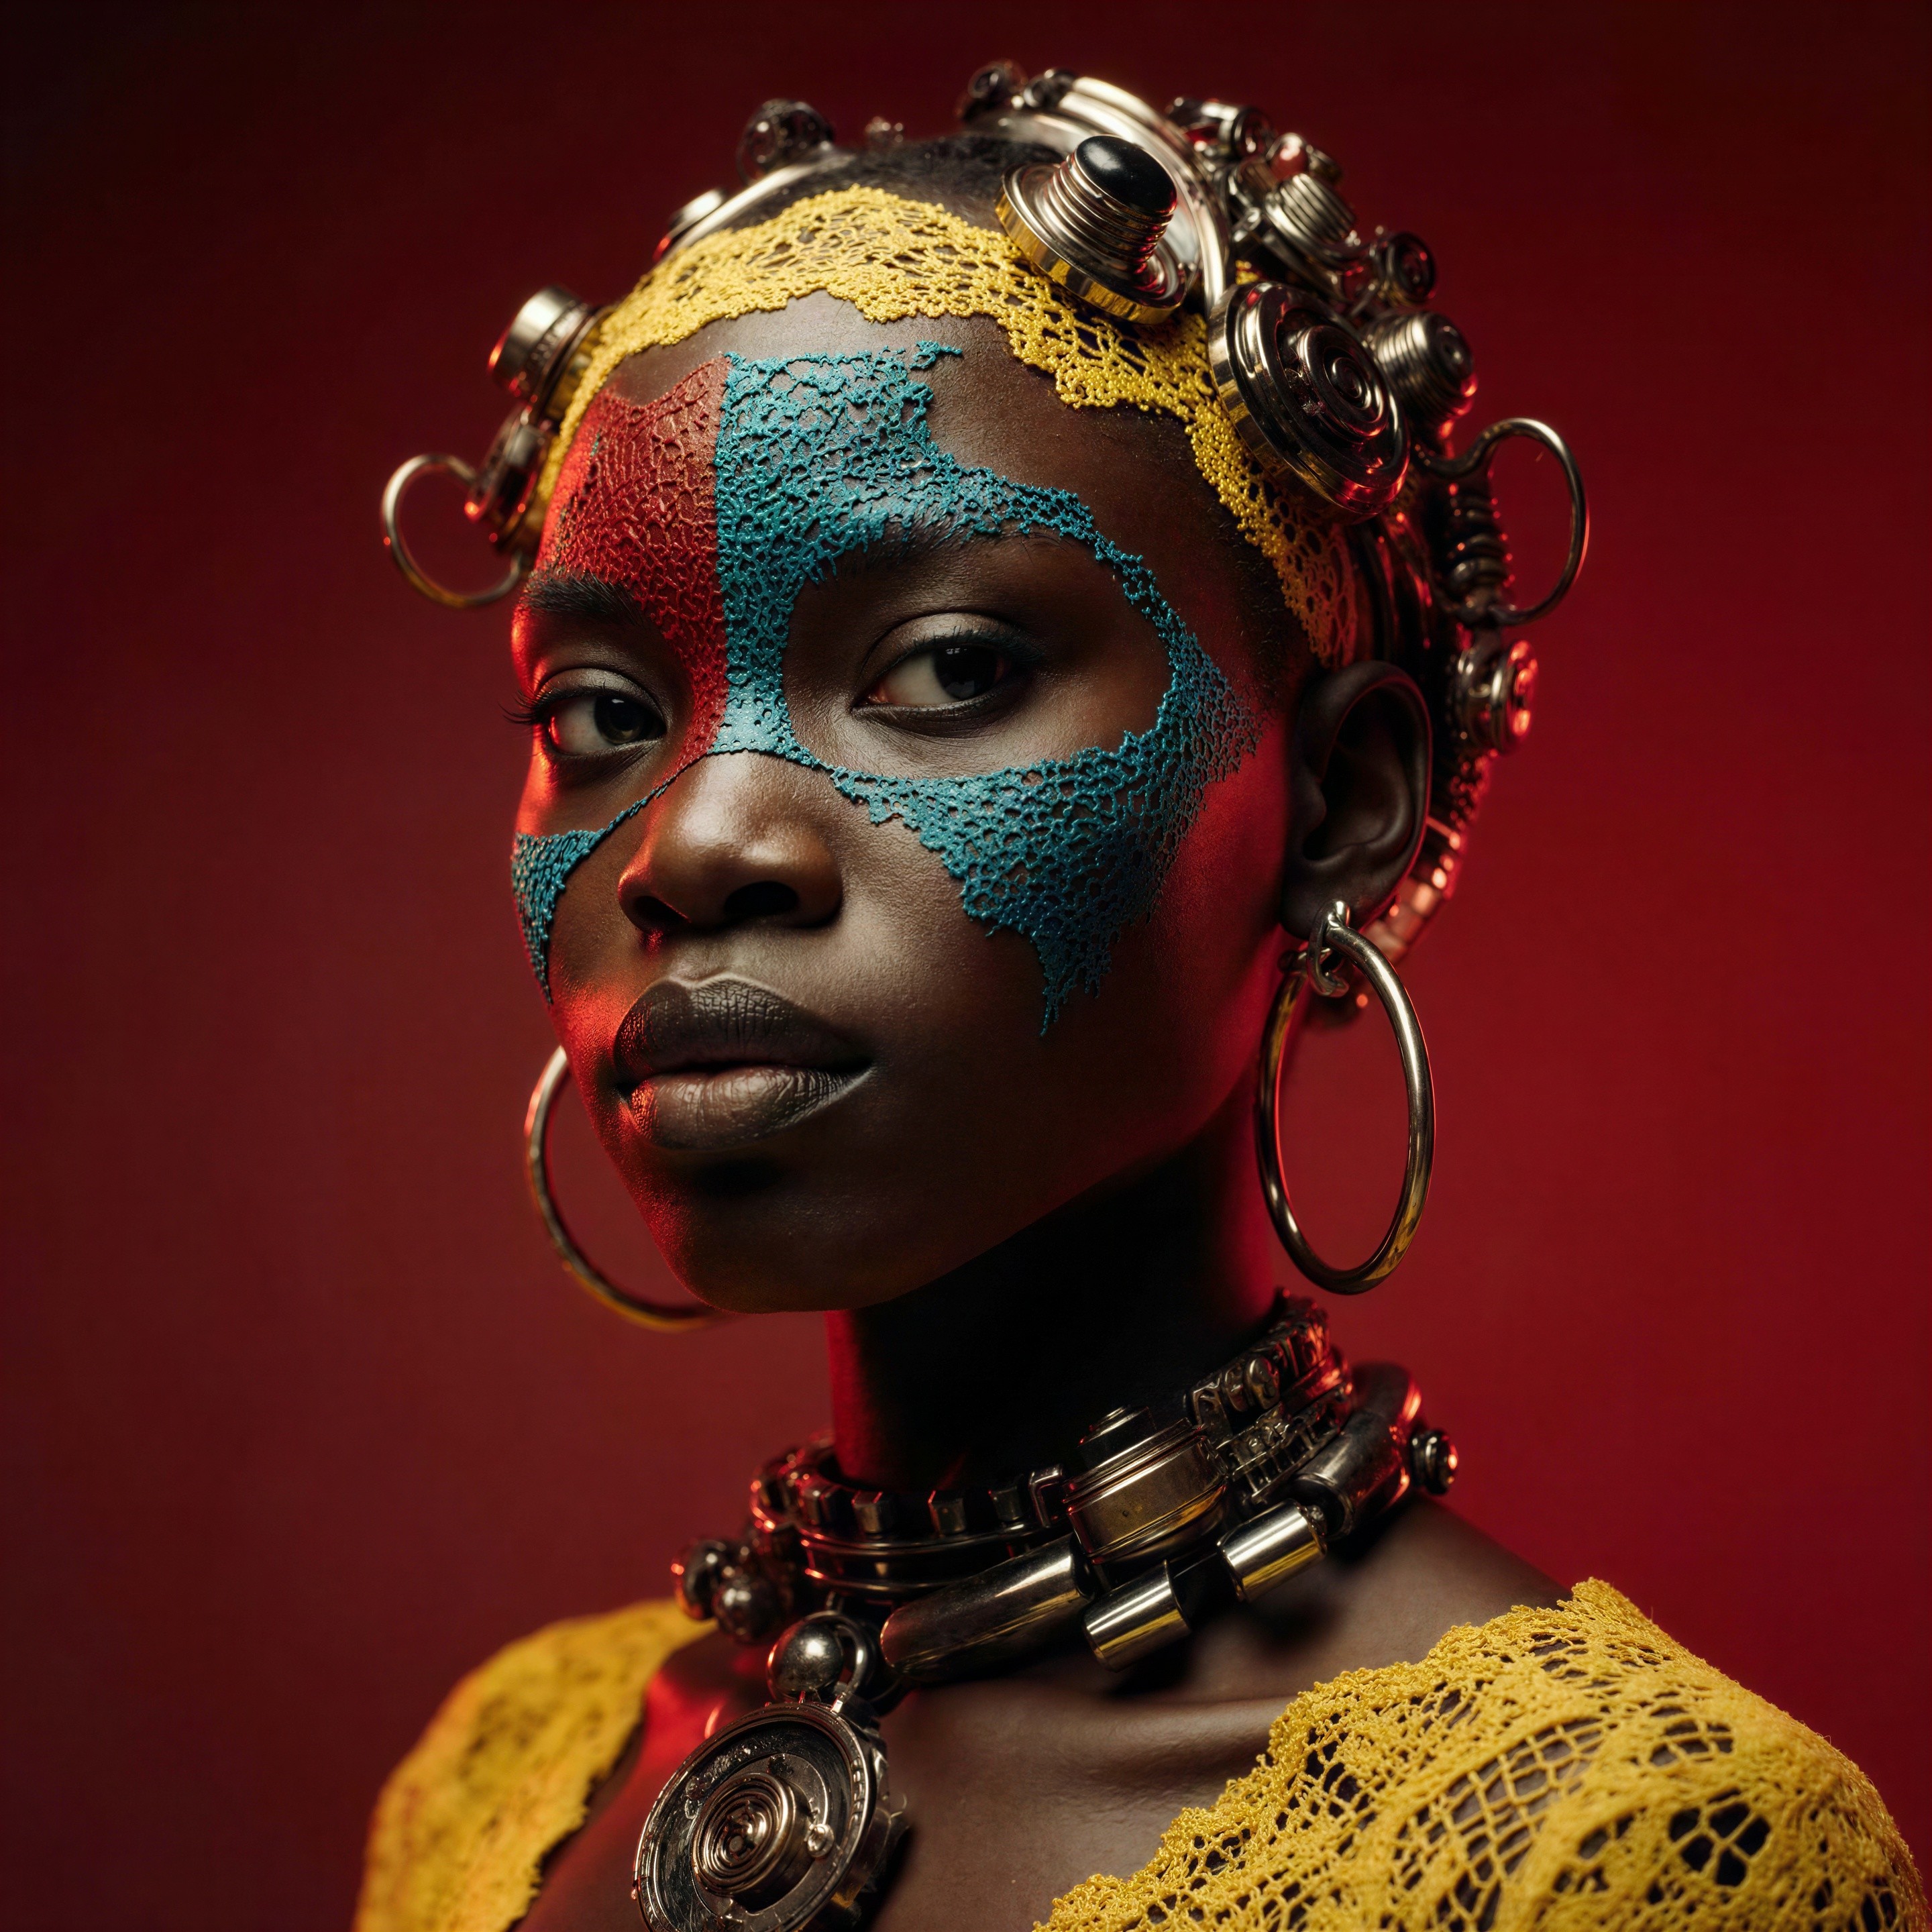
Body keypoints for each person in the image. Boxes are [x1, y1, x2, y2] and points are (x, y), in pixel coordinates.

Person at [358, 69, 1923, 1932]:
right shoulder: (512, 1780)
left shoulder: (1621, 1859)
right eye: (601, 715)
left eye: (947, 666)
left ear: (1338, 806)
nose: (689, 846)